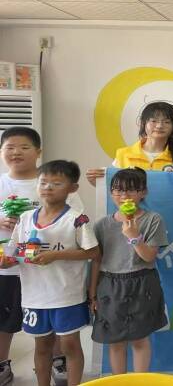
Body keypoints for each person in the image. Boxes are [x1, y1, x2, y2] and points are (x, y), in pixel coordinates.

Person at [1, 160, 98, 386]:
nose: (48, 187)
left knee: (70, 345)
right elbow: (15, 252)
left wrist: (56, 255)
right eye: (43, 182)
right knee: (42, 346)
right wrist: (6, 262)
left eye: (57, 183)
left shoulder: (76, 219)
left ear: (72, 188)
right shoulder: (25, 218)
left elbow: (93, 252)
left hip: (67, 295)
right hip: (34, 296)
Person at [89, 168, 168, 373]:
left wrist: (134, 236)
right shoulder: (102, 224)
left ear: (143, 192)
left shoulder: (153, 219)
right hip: (110, 285)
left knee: (140, 339)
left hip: (142, 282)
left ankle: (139, 381)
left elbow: (149, 257)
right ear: (111, 193)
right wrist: (92, 294)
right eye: (118, 190)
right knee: (116, 341)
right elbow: (96, 261)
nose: (124, 195)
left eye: (131, 190)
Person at [86, 102, 173, 186]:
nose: (159, 126)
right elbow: (114, 188)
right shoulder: (124, 154)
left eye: (166, 122)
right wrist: (98, 183)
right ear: (143, 123)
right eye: (153, 121)